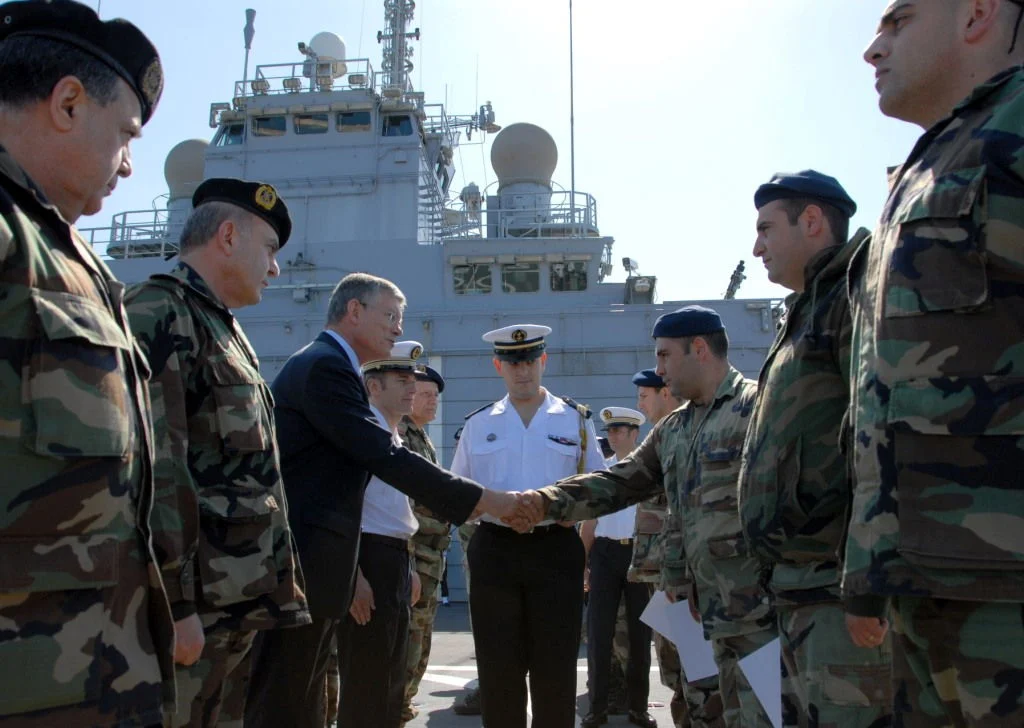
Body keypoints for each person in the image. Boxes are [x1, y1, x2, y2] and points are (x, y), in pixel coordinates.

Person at [844, 2, 1024, 724]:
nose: (872, 47)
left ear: (976, 13)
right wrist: (869, 569)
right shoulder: (934, 163)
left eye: (899, 20)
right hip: (923, 584)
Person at [0, 2, 175, 725]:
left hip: (91, 677)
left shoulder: (72, 260)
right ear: (68, 103)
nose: (130, 164)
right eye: (126, 135)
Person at [244, 273, 519, 728]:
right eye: (389, 315)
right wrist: (482, 499)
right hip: (305, 560)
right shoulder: (326, 366)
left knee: (306, 696)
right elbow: (382, 454)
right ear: (354, 311)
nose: (397, 328)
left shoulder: (331, 365)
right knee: (286, 698)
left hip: (316, 564)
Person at [514, 307, 777, 727]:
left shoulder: (762, 408)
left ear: (699, 349)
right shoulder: (673, 429)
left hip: (756, 614)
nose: (659, 369)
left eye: (664, 355)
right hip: (690, 609)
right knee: (701, 711)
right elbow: (618, 483)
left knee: (769, 714)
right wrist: (544, 502)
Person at [125, 178, 311, 726]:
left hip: (233, 603)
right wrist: (174, 605)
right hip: (193, 612)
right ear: (228, 237)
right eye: (270, 250)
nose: (275, 270)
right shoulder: (158, 312)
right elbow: (153, 467)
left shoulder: (223, 329)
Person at [739, 170, 892, 727]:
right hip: (800, 586)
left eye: (765, 229)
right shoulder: (810, 305)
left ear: (811, 222)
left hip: (837, 589)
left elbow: (878, 439)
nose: (756, 247)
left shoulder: (853, 295)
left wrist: (867, 582)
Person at [451, 324, 605, 728]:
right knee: (498, 669)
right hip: (495, 549)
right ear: (498, 366)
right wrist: (499, 508)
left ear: (544, 361)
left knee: (556, 667)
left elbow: (598, 486)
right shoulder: (479, 424)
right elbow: (459, 494)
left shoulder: (575, 420)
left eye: (530, 361)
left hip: (555, 548)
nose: (523, 370)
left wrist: (563, 510)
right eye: (513, 363)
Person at [338, 341, 427, 728]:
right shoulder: (362, 436)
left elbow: (393, 513)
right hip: (367, 560)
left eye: (413, 380)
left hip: (393, 559)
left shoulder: (392, 435)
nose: (412, 388)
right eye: (401, 380)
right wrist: (354, 577)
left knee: (392, 678)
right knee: (365, 681)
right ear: (373, 386)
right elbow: (345, 510)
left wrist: (409, 566)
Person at [631, 369, 722, 728]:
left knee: (699, 673)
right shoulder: (662, 438)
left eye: (645, 396)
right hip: (662, 580)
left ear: (665, 394)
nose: (640, 404)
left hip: (688, 581)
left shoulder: (689, 437)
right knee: (675, 672)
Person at [581, 408, 657, 728]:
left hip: (638, 554)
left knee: (640, 636)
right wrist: (583, 565)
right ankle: (596, 709)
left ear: (634, 434)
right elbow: (589, 523)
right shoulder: (602, 473)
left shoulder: (648, 473)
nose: (612, 436)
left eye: (619, 431)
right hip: (605, 554)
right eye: (610, 431)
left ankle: (638, 708)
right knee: (599, 634)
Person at [401, 364, 452, 723]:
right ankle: (395, 707)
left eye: (435, 396)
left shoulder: (422, 437)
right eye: (425, 394)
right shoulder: (401, 437)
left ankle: (401, 703)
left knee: (420, 638)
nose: (433, 401)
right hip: (414, 556)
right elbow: (400, 507)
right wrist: (407, 564)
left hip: (430, 557)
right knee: (408, 640)